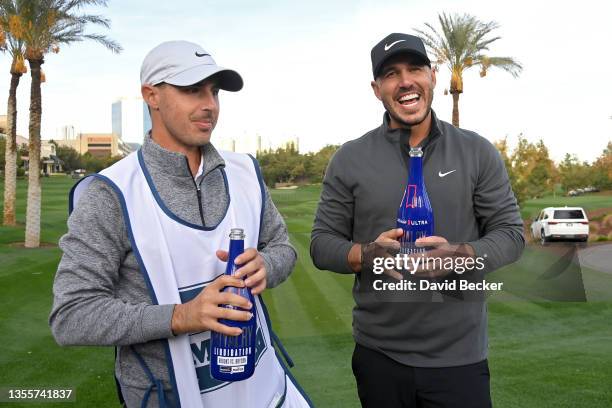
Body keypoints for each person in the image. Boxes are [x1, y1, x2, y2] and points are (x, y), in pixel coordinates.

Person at [50, 40, 311, 408]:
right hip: (167, 397)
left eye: (214, 91)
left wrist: (266, 265)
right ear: (151, 96)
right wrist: (181, 316)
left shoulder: (245, 171)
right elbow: (71, 316)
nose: (210, 105)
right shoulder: (110, 193)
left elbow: (282, 247)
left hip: (262, 389)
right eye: (192, 90)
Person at [310, 33, 525, 407]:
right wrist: (367, 254)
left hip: (460, 360)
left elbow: (511, 235)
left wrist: (460, 254)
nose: (405, 80)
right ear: (377, 89)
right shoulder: (350, 159)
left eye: (415, 68)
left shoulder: (476, 151)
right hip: (379, 357)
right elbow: (321, 245)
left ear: (433, 76)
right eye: (391, 74)